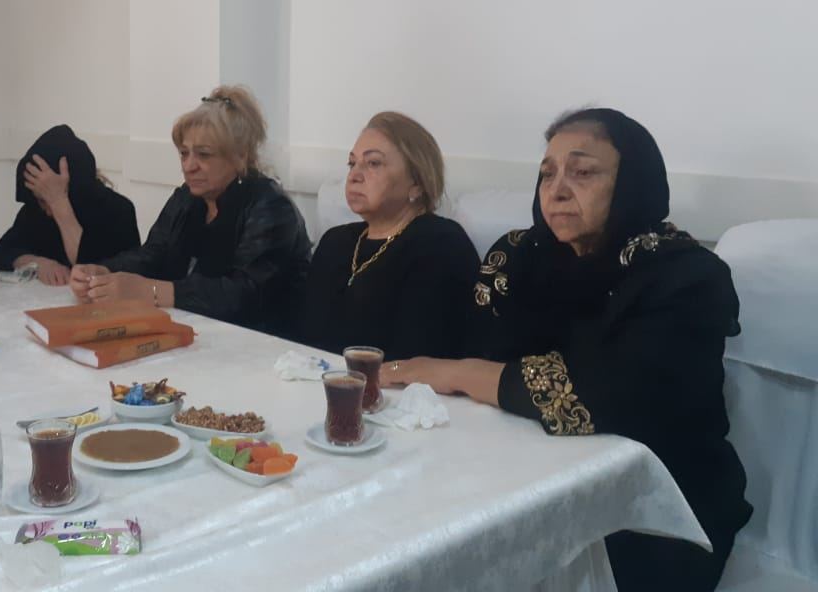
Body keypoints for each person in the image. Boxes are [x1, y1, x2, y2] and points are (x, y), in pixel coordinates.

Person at [379, 108, 751, 592]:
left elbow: (611, 396)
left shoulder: (686, 276)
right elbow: (485, 354)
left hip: (651, 500)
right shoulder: (515, 256)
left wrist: (459, 372)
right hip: (518, 471)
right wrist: (473, 374)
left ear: (633, 182)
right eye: (547, 173)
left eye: (583, 172)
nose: (555, 190)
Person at [70, 85, 311, 338]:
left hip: (264, 344)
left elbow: (244, 295)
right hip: (198, 331)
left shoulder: (271, 206)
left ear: (241, 156)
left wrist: (153, 291)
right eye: (184, 153)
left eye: (203, 155)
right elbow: (153, 254)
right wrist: (104, 272)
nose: (188, 166)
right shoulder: (187, 197)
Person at [302, 112, 478, 358]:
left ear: (417, 183)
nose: (354, 176)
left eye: (373, 163)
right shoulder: (335, 242)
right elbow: (303, 339)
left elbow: (421, 355)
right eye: (352, 163)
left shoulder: (440, 244)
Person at [0, 125, 140, 285]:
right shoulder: (36, 211)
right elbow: (3, 252)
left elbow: (93, 270)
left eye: (48, 197)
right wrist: (37, 263)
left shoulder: (118, 210)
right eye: (41, 200)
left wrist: (59, 203)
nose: (47, 210)